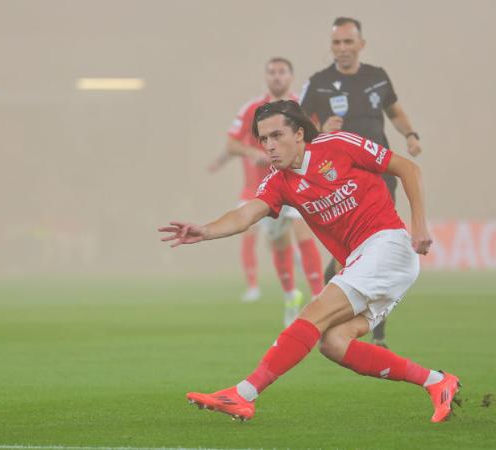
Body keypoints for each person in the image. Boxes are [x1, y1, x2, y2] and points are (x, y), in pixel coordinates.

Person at [159, 100, 459, 423]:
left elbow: (408, 168)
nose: (270, 146)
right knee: (333, 343)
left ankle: (243, 394)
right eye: (263, 140)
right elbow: (246, 214)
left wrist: (418, 224)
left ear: (299, 133)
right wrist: (205, 230)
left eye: (277, 135)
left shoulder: (338, 145)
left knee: (313, 315)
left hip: (388, 245)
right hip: (365, 260)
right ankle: (437, 381)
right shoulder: (279, 181)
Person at [299, 17, 423, 347]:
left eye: (348, 42)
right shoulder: (319, 83)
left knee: (373, 247)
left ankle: (368, 327)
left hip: (380, 173)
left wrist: (409, 134)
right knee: (356, 252)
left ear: (361, 45)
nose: (342, 49)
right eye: (336, 43)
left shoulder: (377, 77)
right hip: (338, 179)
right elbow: (295, 128)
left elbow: (394, 111)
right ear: (331, 47)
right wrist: (320, 130)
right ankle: (342, 316)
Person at [209, 57, 324, 325]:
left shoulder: (303, 106)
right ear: (266, 77)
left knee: (302, 231)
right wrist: (252, 152)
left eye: (282, 72)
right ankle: (290, 297)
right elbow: (230, 143)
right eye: (272, 72)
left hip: (296, 182)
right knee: (277, 241)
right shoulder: (252, 108)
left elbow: (317, 138)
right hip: (262, 189)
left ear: (291, 76)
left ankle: (319, 296)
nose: (277, 77)